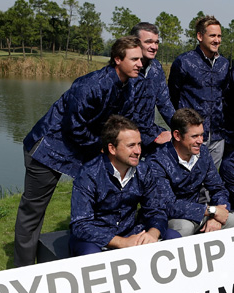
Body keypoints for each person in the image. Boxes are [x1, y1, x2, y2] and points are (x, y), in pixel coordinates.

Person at [13, 36, 143, 267]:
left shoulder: (128, 87)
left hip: (80, 149)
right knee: (33, 212)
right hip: (47, 149)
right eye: (134, 59)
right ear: (117, 59)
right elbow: (74, 127)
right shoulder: (91, 85)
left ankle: (98, 245)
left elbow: (119, 124)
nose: (140, 64)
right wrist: (102, 149)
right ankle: (23, 270)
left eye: (140, 59)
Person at [69, 115, 179, 256]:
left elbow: (156, 210)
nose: (138, 151)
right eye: (131, 146)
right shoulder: (88, 173)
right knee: (91, 254)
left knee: (173, 237)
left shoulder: (144, 170)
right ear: (112, 149)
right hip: (96, 239)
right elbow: (80, 224)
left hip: (130, 232)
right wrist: (122, 242)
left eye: (139, 144)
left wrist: (153, 233)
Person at [147, 108, 234, 236]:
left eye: (201, 135)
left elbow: (218, 188)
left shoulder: (203, 152)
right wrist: (211, 211)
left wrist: (217, 215)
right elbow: (168, 205)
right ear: (177, 135)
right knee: (185, 227)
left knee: (230, 218)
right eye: (194, 136)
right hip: (168, 218)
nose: (200, 141)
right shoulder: (157, 161)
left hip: (200, 212)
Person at [168, 15, 229, 168]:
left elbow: (225, 96)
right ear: (200, 36)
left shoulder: (224, 64)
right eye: (212, 35)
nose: (217, 40)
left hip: (217, 135)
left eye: (219, 36)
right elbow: (173, 95)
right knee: (187, 175)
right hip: (191, 134)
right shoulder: (184, 62)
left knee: (211, 177)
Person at [127, 22, 175, 155]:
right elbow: (125, 114)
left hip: (148, 134)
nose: (154, 47)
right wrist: (152, 137)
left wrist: (181, 130)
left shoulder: (156, 68)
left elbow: (165, 104)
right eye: (149, 42)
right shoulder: (125, 69)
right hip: (124, 136)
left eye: (156, 42)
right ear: (135, 43)